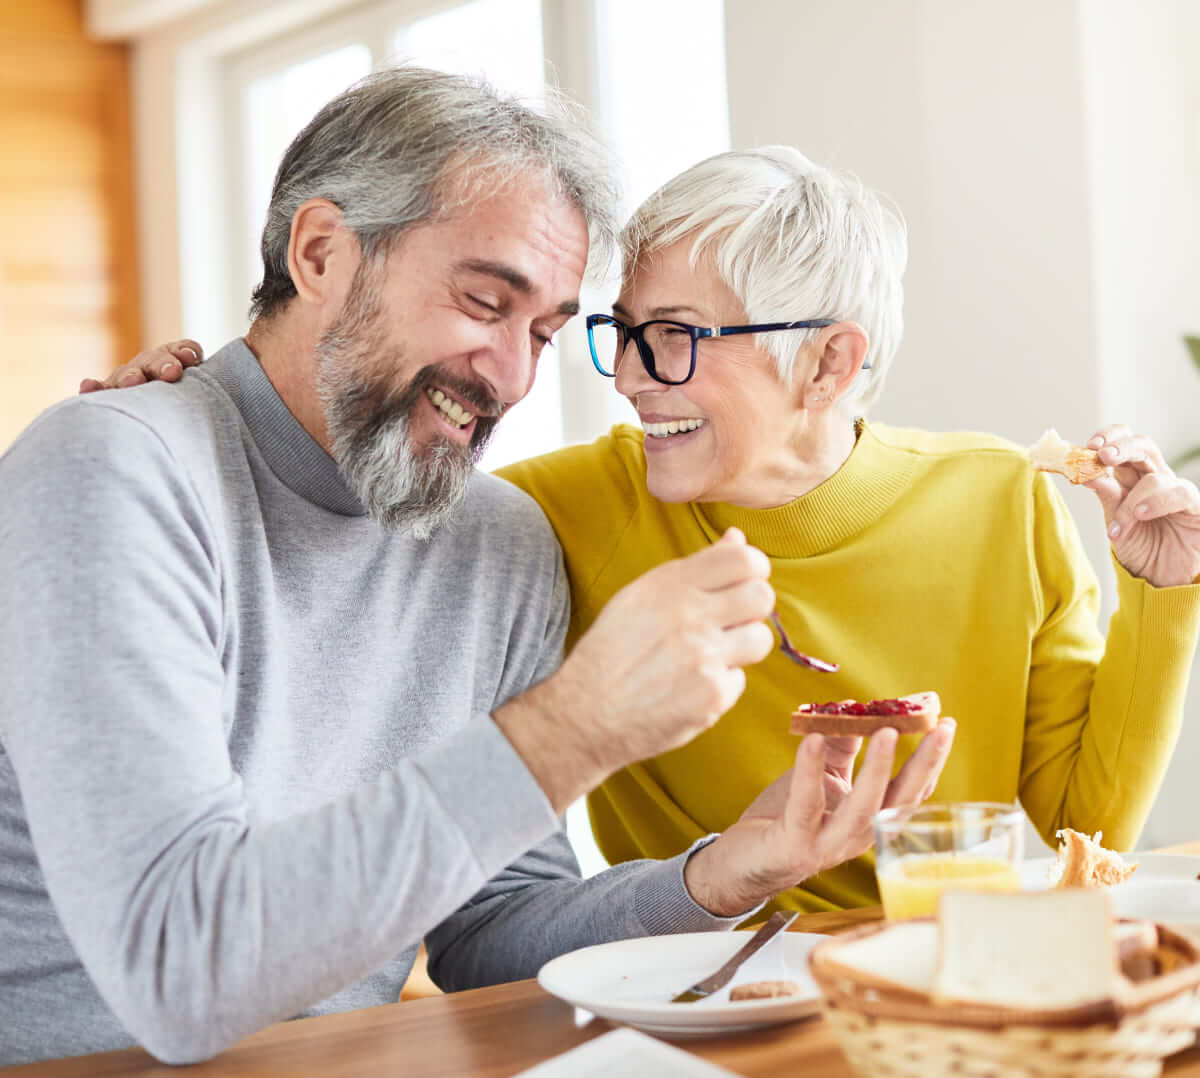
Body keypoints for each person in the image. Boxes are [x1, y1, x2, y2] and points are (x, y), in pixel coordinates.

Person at [0, 73, 954, 1067]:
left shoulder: (495, 541)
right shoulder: (112, 470)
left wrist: (722, 875)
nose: (510, 375)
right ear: (321, 251)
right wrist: (573, 727)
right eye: (483, 301)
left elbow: (487, 938)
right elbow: (177, 970)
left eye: (544, 333)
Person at [116, 143, 1200, 924]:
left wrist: (1166, 593)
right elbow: (330, 511)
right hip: (693, 997)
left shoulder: (999, 498)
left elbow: (1077, 833)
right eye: (621, 334)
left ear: (827, 363)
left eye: (675, 338)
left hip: (943, 986)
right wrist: (189, 418)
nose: (630, 377)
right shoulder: (548, 517)